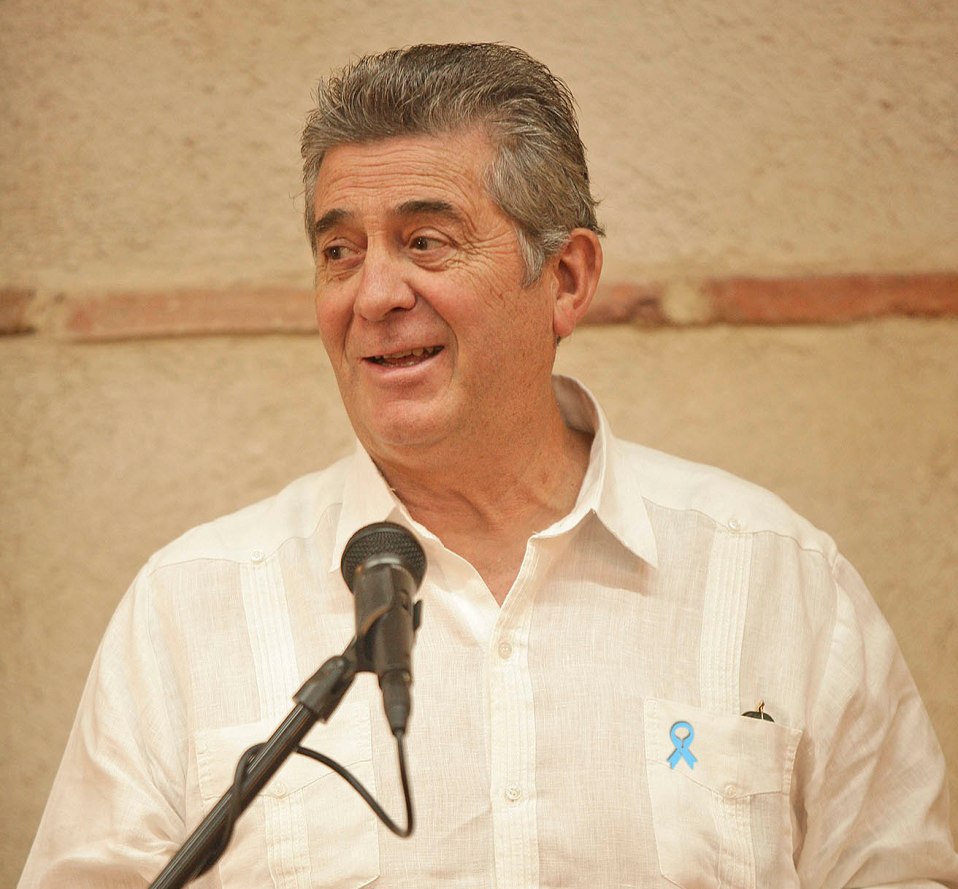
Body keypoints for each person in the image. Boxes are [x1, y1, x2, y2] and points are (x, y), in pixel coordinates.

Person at [18, 42, 958, 888]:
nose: (373, 295)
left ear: (566, 279)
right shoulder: (191, 606)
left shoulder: (777, 579)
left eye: (425, 241)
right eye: (339, 251)